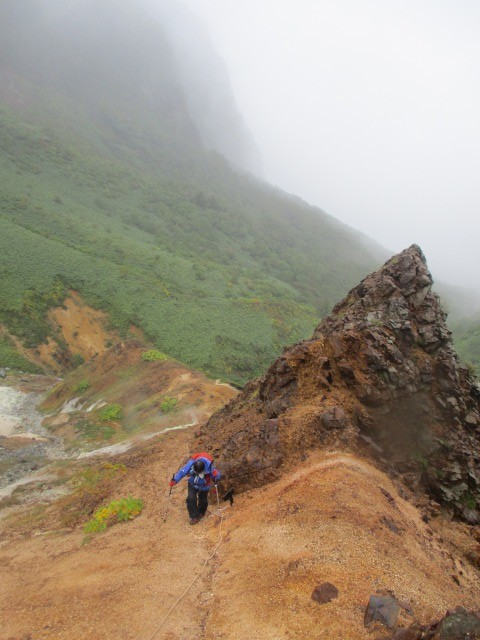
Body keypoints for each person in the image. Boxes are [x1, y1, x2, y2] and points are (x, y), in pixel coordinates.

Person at [169, 452, 221, 525]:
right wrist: (175, 480)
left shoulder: (209, 465)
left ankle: (201, 513)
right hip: (192, 483)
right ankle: (194, 517)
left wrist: (216, 477)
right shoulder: (192, 462)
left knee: (203, 500)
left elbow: (216, 475)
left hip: (204, 484)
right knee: (190, 498)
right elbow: (183, 471)